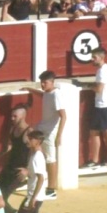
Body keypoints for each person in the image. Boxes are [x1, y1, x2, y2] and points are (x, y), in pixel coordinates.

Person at [9, 130, 66, 213]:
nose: (28, 141)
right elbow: (36, 175)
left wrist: (33, 198)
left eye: (31, 139)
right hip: (37, 195)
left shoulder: (37, 157)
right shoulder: (36, 155)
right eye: (28, 138)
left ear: (38, 141)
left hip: (34, 195)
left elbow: (40, 178)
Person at [28, 70, 65, 198]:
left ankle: (51, 189)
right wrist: (30, 89)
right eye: (41, 83)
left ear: (52, 82)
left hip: (50, 131)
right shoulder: (48, 93)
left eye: (45, 82)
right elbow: (43, 95)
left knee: (50, 159)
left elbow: (63, 116)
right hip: (43, 127)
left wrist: (59, 135)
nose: (43, 85)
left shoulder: (56, 95)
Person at [85, 48, 107, 168]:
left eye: (94, 57)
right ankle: (96, 159)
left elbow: (99, 89)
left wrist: (88, 85)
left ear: (101, 58)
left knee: (106, 131)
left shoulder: (103, 70)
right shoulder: (103, 69)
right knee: (95, 132)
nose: (92, 59)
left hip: (104, 105)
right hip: (102, 104)